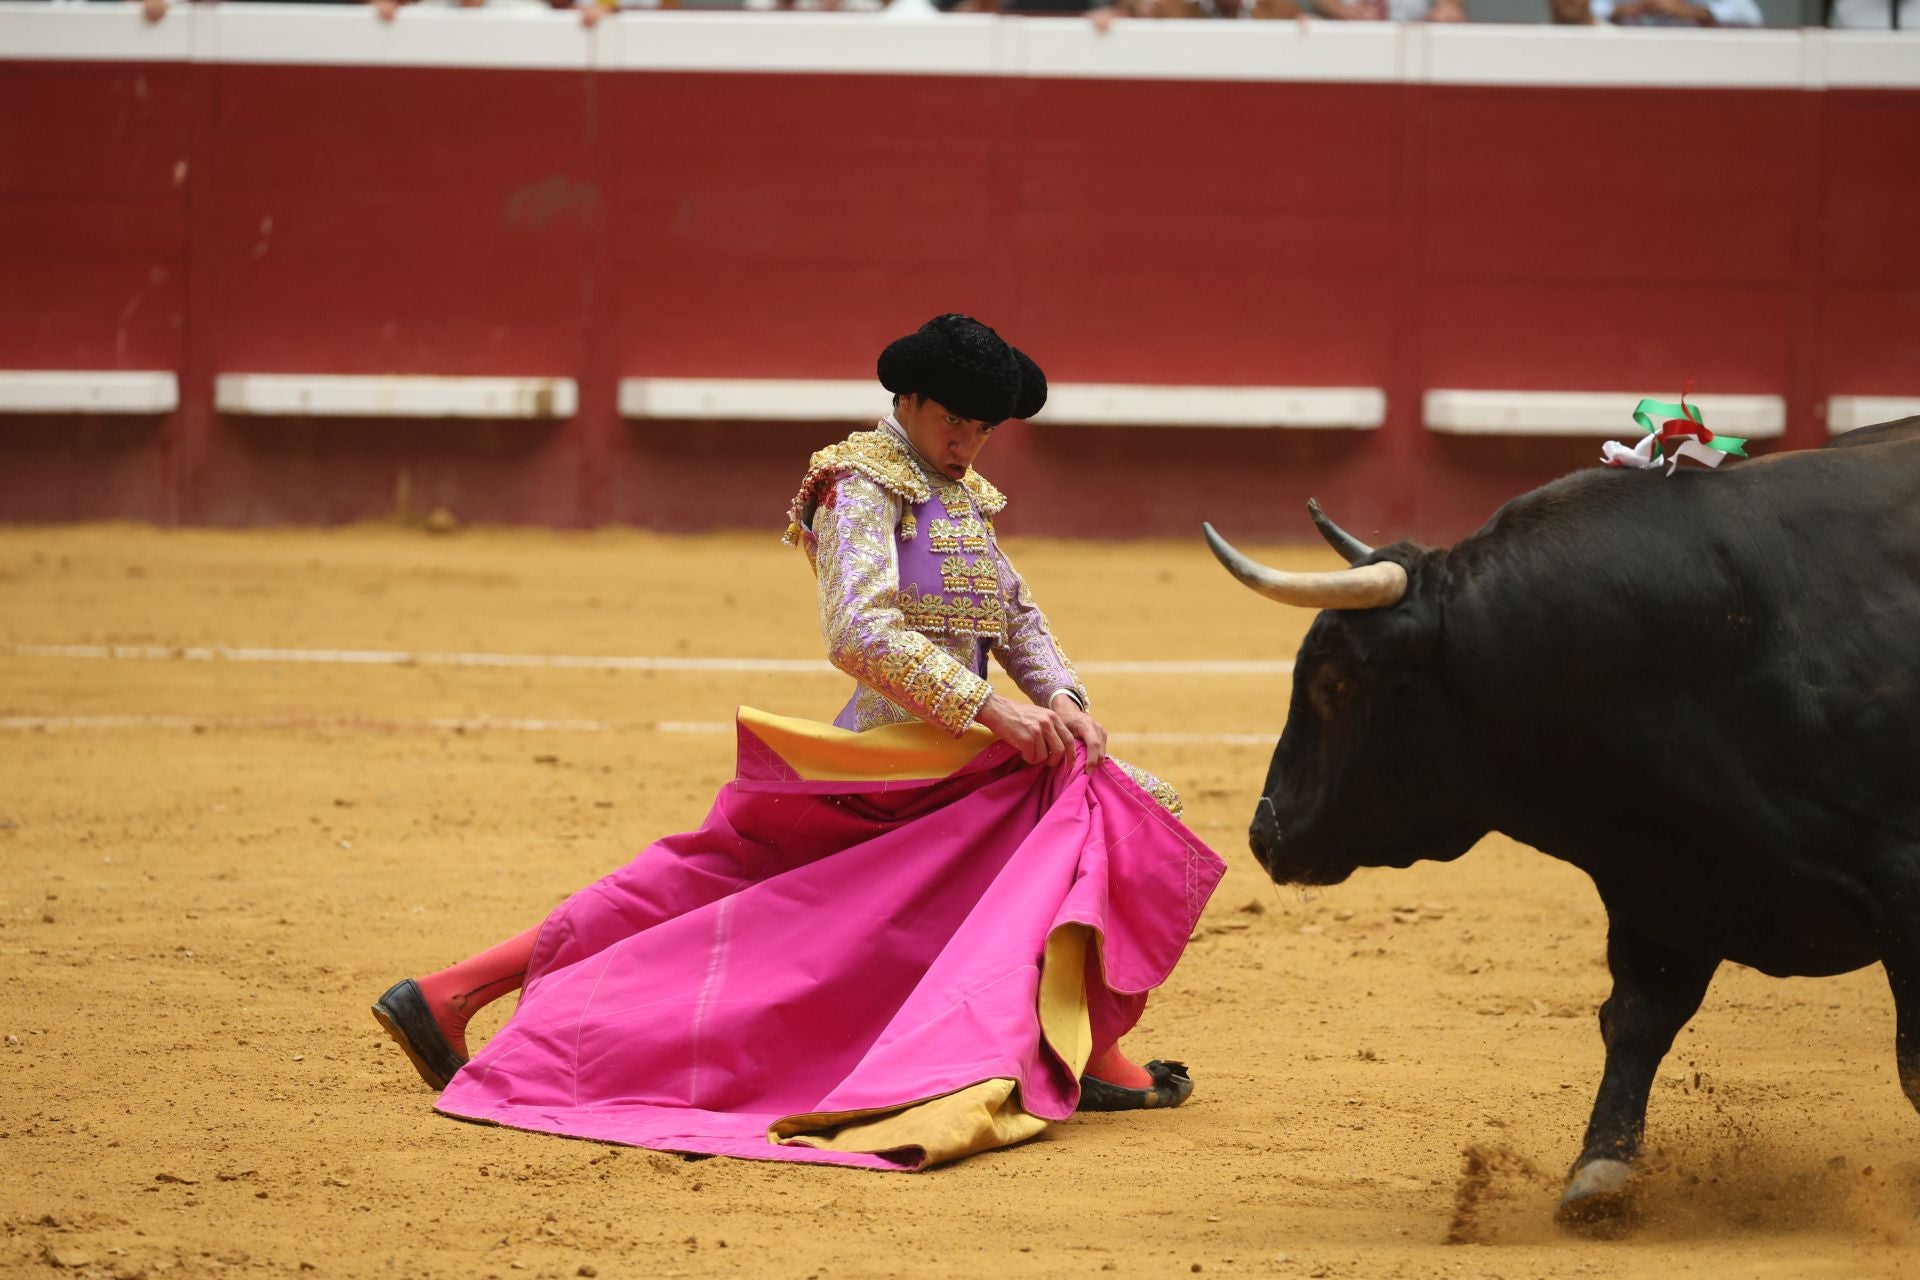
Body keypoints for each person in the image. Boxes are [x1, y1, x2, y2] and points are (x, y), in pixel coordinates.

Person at [371, 314, 1226, 1169]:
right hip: (887, 764)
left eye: (983, 427)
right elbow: (856, 631)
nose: (966, 441)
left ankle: (1081, 1044)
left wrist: (1065, 698)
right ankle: (455, 992)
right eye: (953, 421)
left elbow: (1015, 616)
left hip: (956, 759)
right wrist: (993, 710)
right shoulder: (861, 482)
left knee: (1123, 806)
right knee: (699, 892)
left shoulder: (953, 490)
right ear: (910, 399)